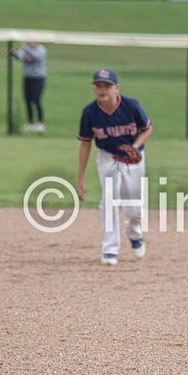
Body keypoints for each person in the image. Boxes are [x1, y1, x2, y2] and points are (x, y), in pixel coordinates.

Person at [76, 68, 153, 266]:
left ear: (116, 88)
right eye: (99, 86)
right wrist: (80, 178)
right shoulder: (90, 112)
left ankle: (135, 235)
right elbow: (85, 144)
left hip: (134, 158)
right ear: (93, 88)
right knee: (109, 201)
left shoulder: (130, 106)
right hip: (107, 157)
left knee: (134, 207)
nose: (103, 89)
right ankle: (109, 250)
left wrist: (134, 147)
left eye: (107, 86)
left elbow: (147, 129)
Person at [10, 42, 48, 132]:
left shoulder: (41, 49)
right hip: (27, 77)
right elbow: (21, 57)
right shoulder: (25, 48)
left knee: (36, 99)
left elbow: (37, 57)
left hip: (38, 78)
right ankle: (30, 123)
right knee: (28, 100)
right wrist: (14, 54)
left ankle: (40, 123)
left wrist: (26, 49)